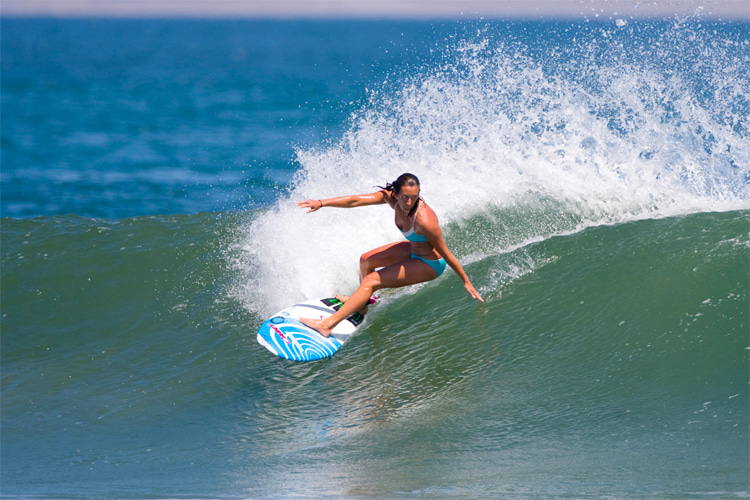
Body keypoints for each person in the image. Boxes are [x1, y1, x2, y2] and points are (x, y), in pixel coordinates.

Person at [296, 173, 483, 337]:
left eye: (414, 197)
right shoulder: (390, 198)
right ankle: (361, 306)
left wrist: (465, 280)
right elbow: (356, 200)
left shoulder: (425, 220)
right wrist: (322, 203)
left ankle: (327, 325)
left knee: (371, 281)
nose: (409, 202)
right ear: (396, 193)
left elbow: (446, 253)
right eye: (405, 197)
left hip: (430, 263)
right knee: (366, 260)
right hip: (413, 248)